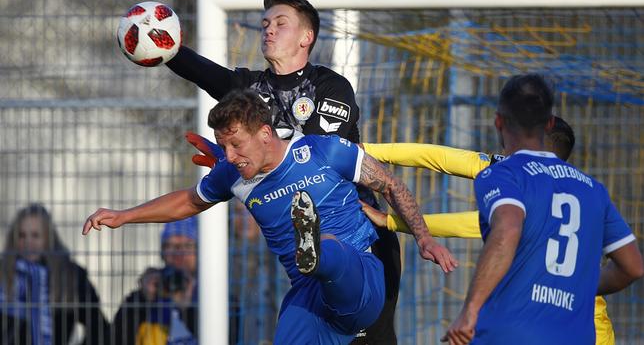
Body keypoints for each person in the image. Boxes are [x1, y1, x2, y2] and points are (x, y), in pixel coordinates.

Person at [83, 90, 457, 344]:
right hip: (309, 298)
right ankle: (313, 250)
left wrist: (422, 237)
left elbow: (390, 184)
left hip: (361, 272)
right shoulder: (233, 175)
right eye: (223, 145)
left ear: (264, 133)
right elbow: (188, 202)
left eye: (235, 144)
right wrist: (123, 215)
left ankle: (317, 245)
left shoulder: (322, 151)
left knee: (333, 252)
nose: (227, 156)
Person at [169, 0, 403, 342]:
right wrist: (168, 49)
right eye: (264, 23)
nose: (269, 29)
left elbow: (307, 154)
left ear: (306, 37)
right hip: (301, 245)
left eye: (281, 22)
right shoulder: (249, 88)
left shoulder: (330, 87)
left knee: (370, 337)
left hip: (360, 238)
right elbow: (208, 76)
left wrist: (245, 154)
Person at [359, 116, 619, 344]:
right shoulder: (580, 191)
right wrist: (365, 152)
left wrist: (393, 221)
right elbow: (442, 157)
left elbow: (470, 224)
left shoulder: (529, 190)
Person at [437, 74, 643, 344]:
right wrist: (576, 285)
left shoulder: (502, 174)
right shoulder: (592, 189)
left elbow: (509, 227)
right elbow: (633, 267)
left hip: (509, 333)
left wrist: (470, 310)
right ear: (548, 124)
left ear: (499, 121)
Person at [0, 203, 111, 345]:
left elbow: (99, 327)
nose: (28, 242)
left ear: (48, 239)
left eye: (35, 235)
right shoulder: (3, 271)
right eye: (22, 235)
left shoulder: (70, 275)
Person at [112, 217, 198, 345]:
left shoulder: (217, 297)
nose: (178, 253)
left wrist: (188, 309)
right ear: (162, 253)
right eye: (170, 246)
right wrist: (142, 299)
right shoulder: (152, 292)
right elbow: (113, 339)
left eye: (187, 245)